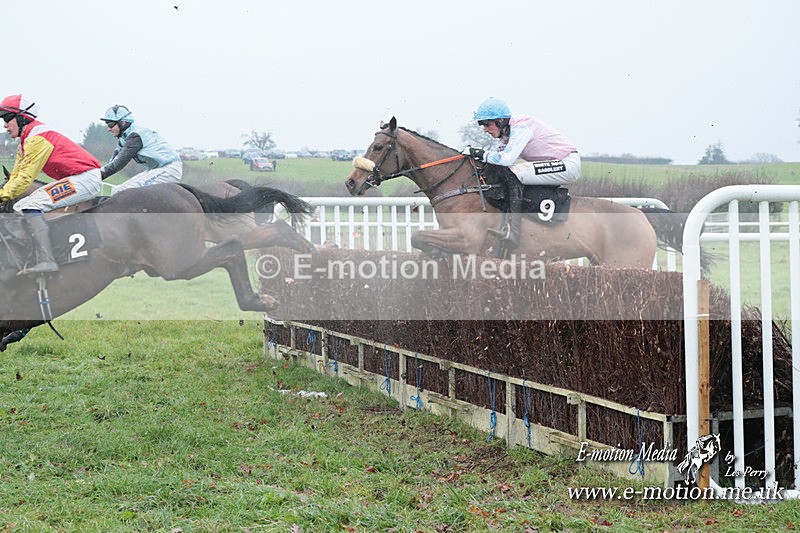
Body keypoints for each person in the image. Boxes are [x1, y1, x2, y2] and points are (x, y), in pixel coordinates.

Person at [0, 94, 102, 274]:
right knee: (22, 204)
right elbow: (15, 176)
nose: (4, 124)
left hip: (85, 179)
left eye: (7, 118)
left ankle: (47, 259)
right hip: (78, 178)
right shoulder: (25, 143)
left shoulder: (37, 139)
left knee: (28, 205)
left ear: (23, 118)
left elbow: (24, 180)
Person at [462, 97, 581, 249]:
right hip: (554, 163)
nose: (485, 129)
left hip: (567, 163)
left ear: (501, 120)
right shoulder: (507, 135)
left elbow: (506, 160)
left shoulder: (521, 128)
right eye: (482, 125)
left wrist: (480, 153)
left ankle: (514, 232)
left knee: (515, 172)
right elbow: (497, 159)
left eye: (487, 124)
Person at [99, 105, 182, 193]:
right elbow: (112, 162)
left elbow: (118, 163)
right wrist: (94, 173)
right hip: (155, 170)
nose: (108, 129)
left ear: (123, 122)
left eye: (110, 124)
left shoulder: (135, 136)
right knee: (115, 191)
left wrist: (97, 177)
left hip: (168, 169)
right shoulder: (124, 138)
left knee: (123, 192)